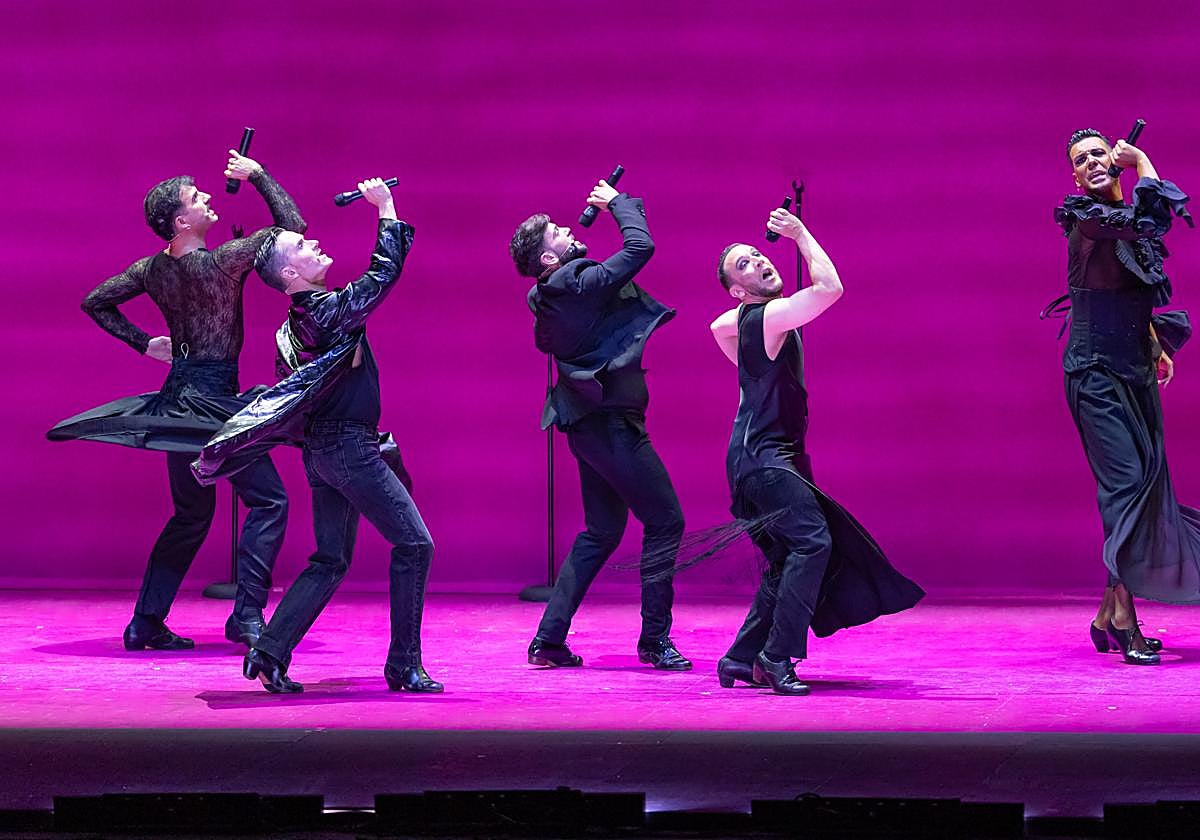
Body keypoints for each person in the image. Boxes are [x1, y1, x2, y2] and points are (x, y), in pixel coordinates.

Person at [47, 149, 304, 651]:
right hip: (211, 404)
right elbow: (292, 230)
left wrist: (145, 344)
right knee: (269, 501)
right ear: (181, 221)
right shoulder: (221, 262)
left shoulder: (153, 270)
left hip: (176, 401)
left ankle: (146, 622)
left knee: (190, 515)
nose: (209, 198)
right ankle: (247, 618)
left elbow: (94, 301)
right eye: (197, 197)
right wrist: (259, 175)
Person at [193, 178, 440, 695]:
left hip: (325, 454)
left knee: (331, 559)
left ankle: (269, 652)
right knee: (415, 545)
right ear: (289, 274)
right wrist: (387, 206)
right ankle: (403, 665)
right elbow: (383, 273)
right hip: (349, 452)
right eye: (301, 247)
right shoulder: (324, 312)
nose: (313, 244)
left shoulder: (298, 322)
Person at [710, 206, 923, 695]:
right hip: (765, 463)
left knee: (791, 556)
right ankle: (775, 656)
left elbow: (717, 327)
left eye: (758, 254)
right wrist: (800, 233)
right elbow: (830, 289)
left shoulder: (749, 320)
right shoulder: (766, 317)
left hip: (752, 463)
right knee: (813, 544)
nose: (760, 260)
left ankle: (741, 658)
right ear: (739, 290)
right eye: (745, 265)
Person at [509, 180, 689, 670]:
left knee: (601, 531)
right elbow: (640, 247)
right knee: (666, 521)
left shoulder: (547, 295)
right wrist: (616, 205)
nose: (568, 232)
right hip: (611, 426)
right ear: (548, 259)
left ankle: (549, 640)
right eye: (557, 235)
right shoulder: (576, 282)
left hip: (588, 424)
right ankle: (655, 640)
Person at [1054, 128, 1197, 665]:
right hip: (1094, 375)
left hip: (1134, 370)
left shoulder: (1124, 223)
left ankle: (1108, 611)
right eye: (1081, 160)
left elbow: (1136, 288)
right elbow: (1151, 217)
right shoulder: (1086, 217)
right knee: (1127, 489)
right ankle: (1126, 617)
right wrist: (1142, 162)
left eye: (1098, 154)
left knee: (1146, 485)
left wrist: (1156, 344)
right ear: (1074, 175)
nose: (1091, 163)